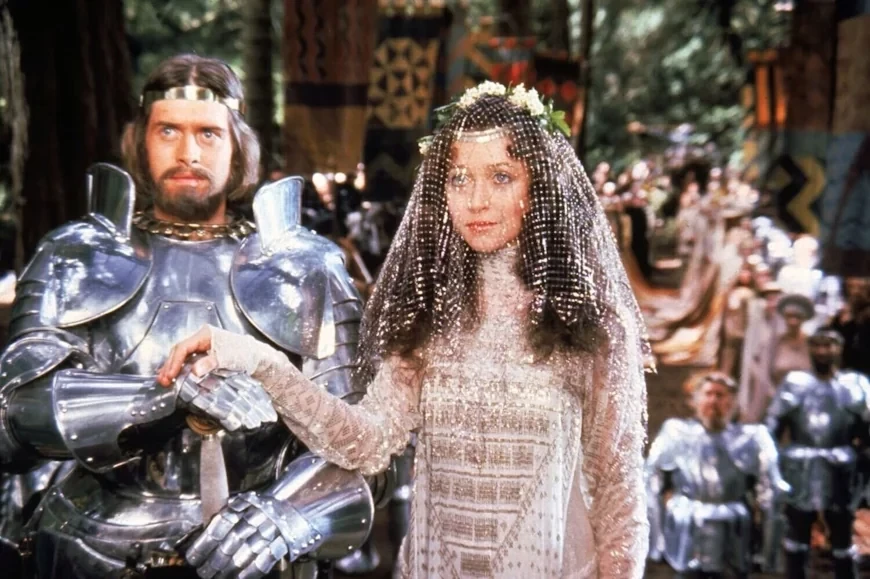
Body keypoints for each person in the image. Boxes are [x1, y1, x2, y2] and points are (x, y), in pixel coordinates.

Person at [161, 82, 652, 578]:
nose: (476, 200)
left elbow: (618, 490)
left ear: (539, 187)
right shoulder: (428, 320)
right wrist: (259, 360)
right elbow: (364, 443)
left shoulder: (592, 328)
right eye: (459, 178)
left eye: (501, 176)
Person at [0, 54, 383, 578]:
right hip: (91, 548)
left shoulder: (304, 267)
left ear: (237, 147)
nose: (188, 153)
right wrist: (163, 397)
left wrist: (282, 517)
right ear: (140, 141)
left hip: (254, 554)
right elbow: (12, 420)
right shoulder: (76, 255)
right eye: (168, 131)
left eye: (208, 134)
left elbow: (363, 447)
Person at [646, 372, 789, 578]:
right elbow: (651, 483)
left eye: (721, 395)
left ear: (733, 401)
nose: (713, 401)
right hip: (687, 527)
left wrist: (768, 552)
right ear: (695, 400)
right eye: (708, 394)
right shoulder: (675, 433)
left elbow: (773, 491)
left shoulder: (752, 438)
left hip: (734, 532)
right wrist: (656, 542)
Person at [765, 328, 870, 579]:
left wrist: (862, 461)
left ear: (839, 349)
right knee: (797, 534)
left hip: (841, 466)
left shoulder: (855, 384)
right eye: (817, 345)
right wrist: (772, 466)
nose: (822, 351)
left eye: (829, 345)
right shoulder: (795, 383)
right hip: (799, 467)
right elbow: (772, 425)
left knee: (842, 534)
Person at [769, 294, 814, 387]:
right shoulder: (776, 342)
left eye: (797, 317)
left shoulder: (811, 342)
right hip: (779, 391)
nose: (793, 321)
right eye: (789, 316)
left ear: (804, 318)